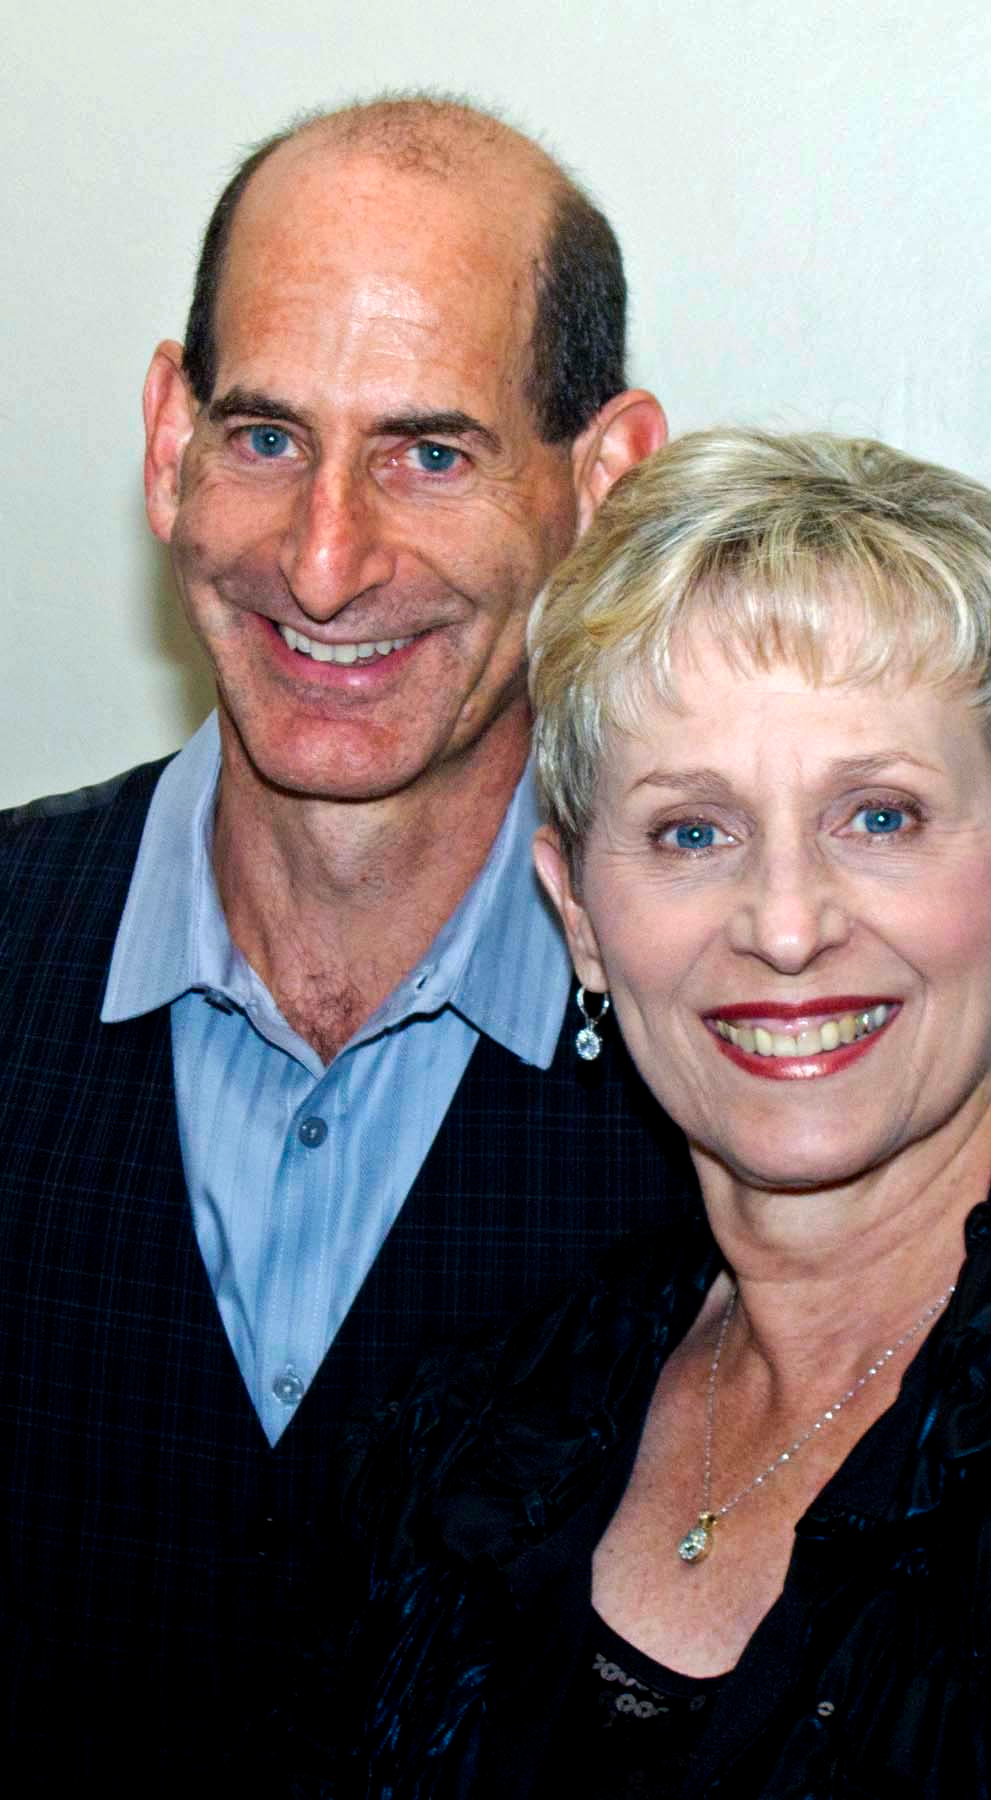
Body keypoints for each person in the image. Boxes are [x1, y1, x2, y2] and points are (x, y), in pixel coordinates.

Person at [277, 429, 991, 1797]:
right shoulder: (456, 1446)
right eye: (692, 832)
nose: (784, 924)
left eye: (878, 817)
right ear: (578, 914)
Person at [0, 97, 693, 1792]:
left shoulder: (735, 1066)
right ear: (168, 440)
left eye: (428, 455)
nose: (323, 563)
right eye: (265, 438)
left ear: (604, 485)